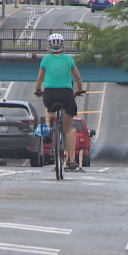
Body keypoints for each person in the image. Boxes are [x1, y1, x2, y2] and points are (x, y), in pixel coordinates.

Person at [35, 33, 85, 170]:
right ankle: (72, 161)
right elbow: (78, 78)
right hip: (66, 94)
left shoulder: (45, 60)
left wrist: (38, 89)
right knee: (68, 129)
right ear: (63, 46)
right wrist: (79, 90)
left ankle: (49, 128)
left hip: (50, 93)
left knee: (48, 107)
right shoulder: (69, 60)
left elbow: (40, 79)